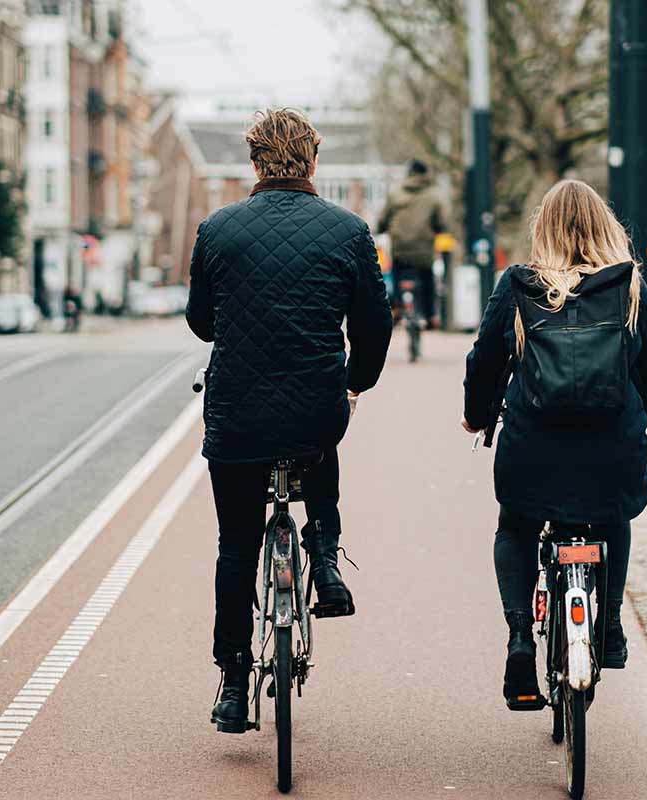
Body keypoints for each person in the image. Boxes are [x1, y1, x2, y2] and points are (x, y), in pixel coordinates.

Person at [186, 108, 393, 733]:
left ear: (254, 163)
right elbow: (375, 328)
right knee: (319, 440)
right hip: (314, 405)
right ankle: (325, 560)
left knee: (236, 547)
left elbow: (201, 322)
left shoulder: (217, 230)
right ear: (313, 161)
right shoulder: (350, 231)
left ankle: (230, 679)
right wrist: (354, 383)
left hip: (238, 413)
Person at [462, 179, 647, 709]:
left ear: (543, 231)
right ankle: (610, 626)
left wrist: (476, 417)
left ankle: (518, 642)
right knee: (613, 515)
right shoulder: (628, 287)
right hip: (610, 453)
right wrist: (634, 412)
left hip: (535, 450)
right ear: (606, 228)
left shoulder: (519, 285)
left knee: (515, 527)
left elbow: (485, 362)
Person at [377, 159, 446, 327]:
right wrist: (438, 230)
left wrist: (380, 229)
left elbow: (383, 220)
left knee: (396, 271)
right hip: (423, 250)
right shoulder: (433, 195)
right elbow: (442, 223)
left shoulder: (395, 193)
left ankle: (397, 308)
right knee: (427, 277)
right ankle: (430, 315)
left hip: (400, 249)